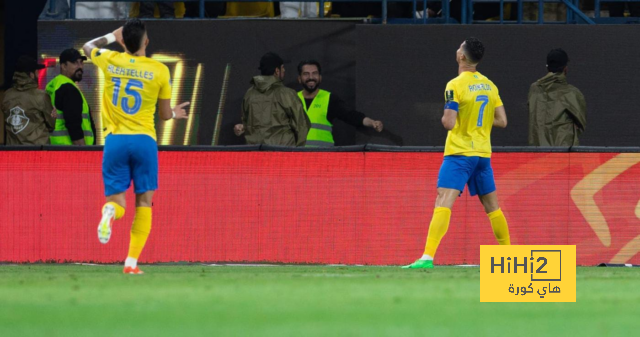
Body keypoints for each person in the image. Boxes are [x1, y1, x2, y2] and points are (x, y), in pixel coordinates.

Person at [82, 19, 189, 274]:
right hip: (144, 141)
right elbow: (164, 115)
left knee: (117, 201)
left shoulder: (110, 60)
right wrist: (174, 114)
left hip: (115, 140)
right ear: (146, 41)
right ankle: (131, 264)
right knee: (144, 202)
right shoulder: (160, 70)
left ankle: (109, 212)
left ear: (122, 42)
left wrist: (111, 36)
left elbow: (86, 46)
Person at [403, 37, 510, 269]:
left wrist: (452, 115)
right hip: (483, 155)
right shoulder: (490, 85)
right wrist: (476, 117)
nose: (457, 49)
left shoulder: (454, 85)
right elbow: (502, 121)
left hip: (460, 153)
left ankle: (427, 258)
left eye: (459, 47)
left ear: (462, 56)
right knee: (493, 207)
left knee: (443, 201)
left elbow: (449, 123)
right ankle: (509, 256)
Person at [296, 60, 383, 147]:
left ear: (320, 77)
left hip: (324, 156)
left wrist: (372, 122)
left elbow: (351, 115)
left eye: (314, 73)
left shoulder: (329, 98)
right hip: (297, 156)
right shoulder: (293, 99)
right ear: (299, 79)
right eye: (306, 74)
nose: (311, 77)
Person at [234, 52, 310, 146]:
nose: (284, 70)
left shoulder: (249, 94)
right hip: (282, 155)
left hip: (256, 155)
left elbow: (246, 122)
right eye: (283, 68)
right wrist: (298, 152)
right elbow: (302, 125)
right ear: (277, 71)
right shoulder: (287, 94)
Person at [528, 49, 586, 147]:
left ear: (547, 67)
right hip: (562, 153)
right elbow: (581, 125)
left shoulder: (534, 89)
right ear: (565, 68)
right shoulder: (572, 93)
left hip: (537, 151)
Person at [45, 49, 96, 146]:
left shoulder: (53, 85)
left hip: (55, 149)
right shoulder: (68, 89)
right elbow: (73, 125)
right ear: (64, 66)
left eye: (81, 63)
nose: (80, 67)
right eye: (75, 63)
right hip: (70, 152)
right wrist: (83, 151)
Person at [2, 56, 56, 145]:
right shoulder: (41, 96)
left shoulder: (7, 95)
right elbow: (51, 126)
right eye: (37, 72)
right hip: (36, 151)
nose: (38, 75)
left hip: (13, 152)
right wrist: (53, 116)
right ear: (31, 75)